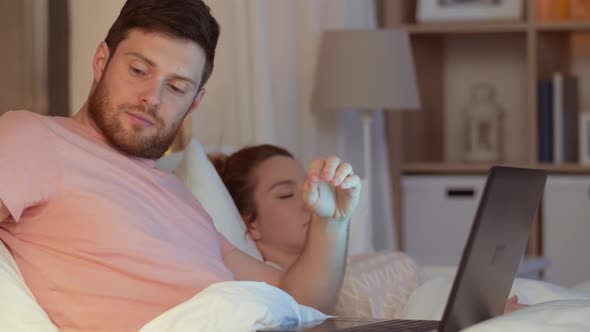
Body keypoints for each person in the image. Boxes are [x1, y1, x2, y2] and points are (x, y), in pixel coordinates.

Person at [0, 1, 361, 331]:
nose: (152, 98)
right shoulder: (36, 137)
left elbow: (299, 299)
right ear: (101, 62)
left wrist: (332, 222)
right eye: (139, 70)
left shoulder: (181, 198)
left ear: (195, 102)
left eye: (176, 87)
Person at [210, 144, 527, 316]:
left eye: (306, 187)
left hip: (466, 305)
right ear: (250, 222)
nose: (308, 202)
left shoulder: (345, 258)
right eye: (285, 194)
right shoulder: (281, 286)